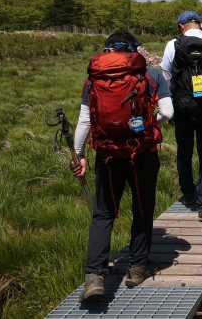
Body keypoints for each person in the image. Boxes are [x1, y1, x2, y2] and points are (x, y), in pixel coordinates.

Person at [72, 32, 173, 301]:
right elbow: (168, 112)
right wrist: (152, 125)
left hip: (106, 154)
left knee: (103, 213)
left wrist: (79, 154)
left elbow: (84, 121)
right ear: (134, 49)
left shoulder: (95, 78)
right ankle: (137, 268)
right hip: (142, 152)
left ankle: (94, 276)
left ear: (107, 50)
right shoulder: (151, 74)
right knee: (142, 208)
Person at [161, 11, 202, 223]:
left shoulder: (173, 45)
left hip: (181, 106)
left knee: (184, 150)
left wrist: (170, 104)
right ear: (200, 24)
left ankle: (188, 191)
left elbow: (165, 75)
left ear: (180, 26)